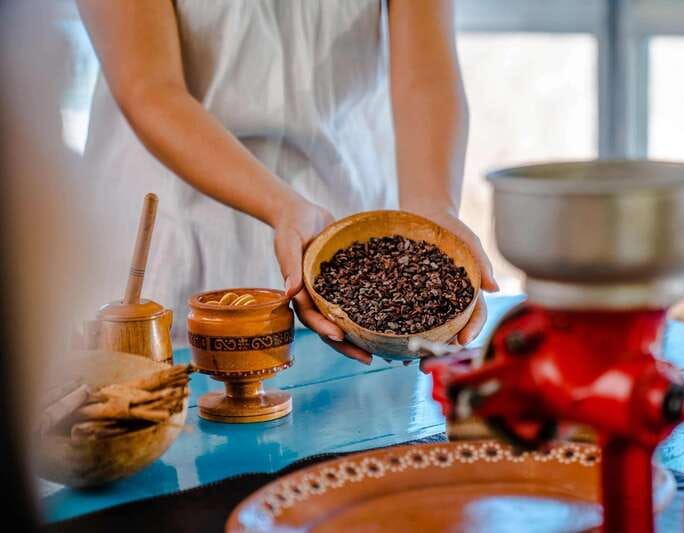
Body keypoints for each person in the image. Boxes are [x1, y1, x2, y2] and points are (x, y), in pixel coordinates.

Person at [77, 0, 498, 365]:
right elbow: (149, 88)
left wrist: (431, 208)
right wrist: (283, 206)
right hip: (177, 214)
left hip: (340, 204)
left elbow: (424, 75)